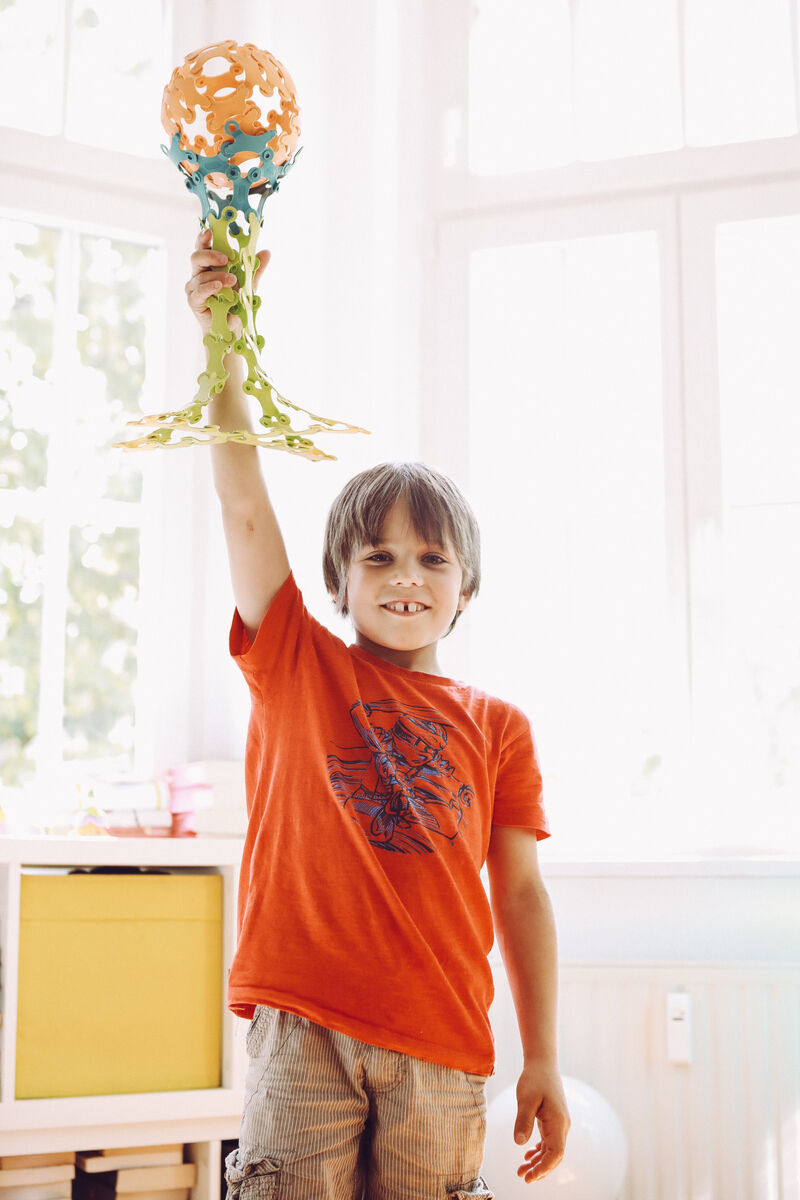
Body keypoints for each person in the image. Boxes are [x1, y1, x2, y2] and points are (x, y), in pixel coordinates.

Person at [185, 227, 570, 1199]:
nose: (405, 576)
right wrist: (221, 340)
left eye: (432, 558)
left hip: (442, 1047)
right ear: (337, 582)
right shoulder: (294, 662)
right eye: (379, 557)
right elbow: (239, 501)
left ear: (466, 587)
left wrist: (542, 1056)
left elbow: (519, 895)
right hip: (301, 1031)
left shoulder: (499, 723)